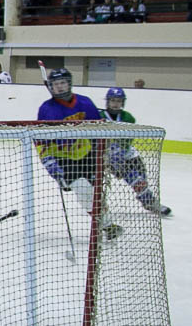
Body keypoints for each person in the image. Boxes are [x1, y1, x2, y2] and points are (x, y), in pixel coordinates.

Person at [37, 68, 121, 240]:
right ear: (50, 86)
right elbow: (40, 140)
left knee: (95, 192)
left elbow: (98, 130)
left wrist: (104, 153)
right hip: (62, 158)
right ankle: (106, 225)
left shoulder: (85, 103)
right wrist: (48, 162)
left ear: (69, 83)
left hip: (86, 154)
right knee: (83, 189)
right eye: (55, 84)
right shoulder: (46, 109)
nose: (59, 87)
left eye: (62, 83)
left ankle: (105, 223)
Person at [100, 88, 171, 216]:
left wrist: (120, 151)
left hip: (128, 154)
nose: (116, 103)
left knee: (142, 178)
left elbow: (128, 139)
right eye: (113, 100)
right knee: (134, 178)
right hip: (107, 157)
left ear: (123, 102)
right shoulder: (100, 116)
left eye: (119, 101)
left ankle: (146, 200)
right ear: (107, 101)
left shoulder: (128, 117)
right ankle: (150, 201)